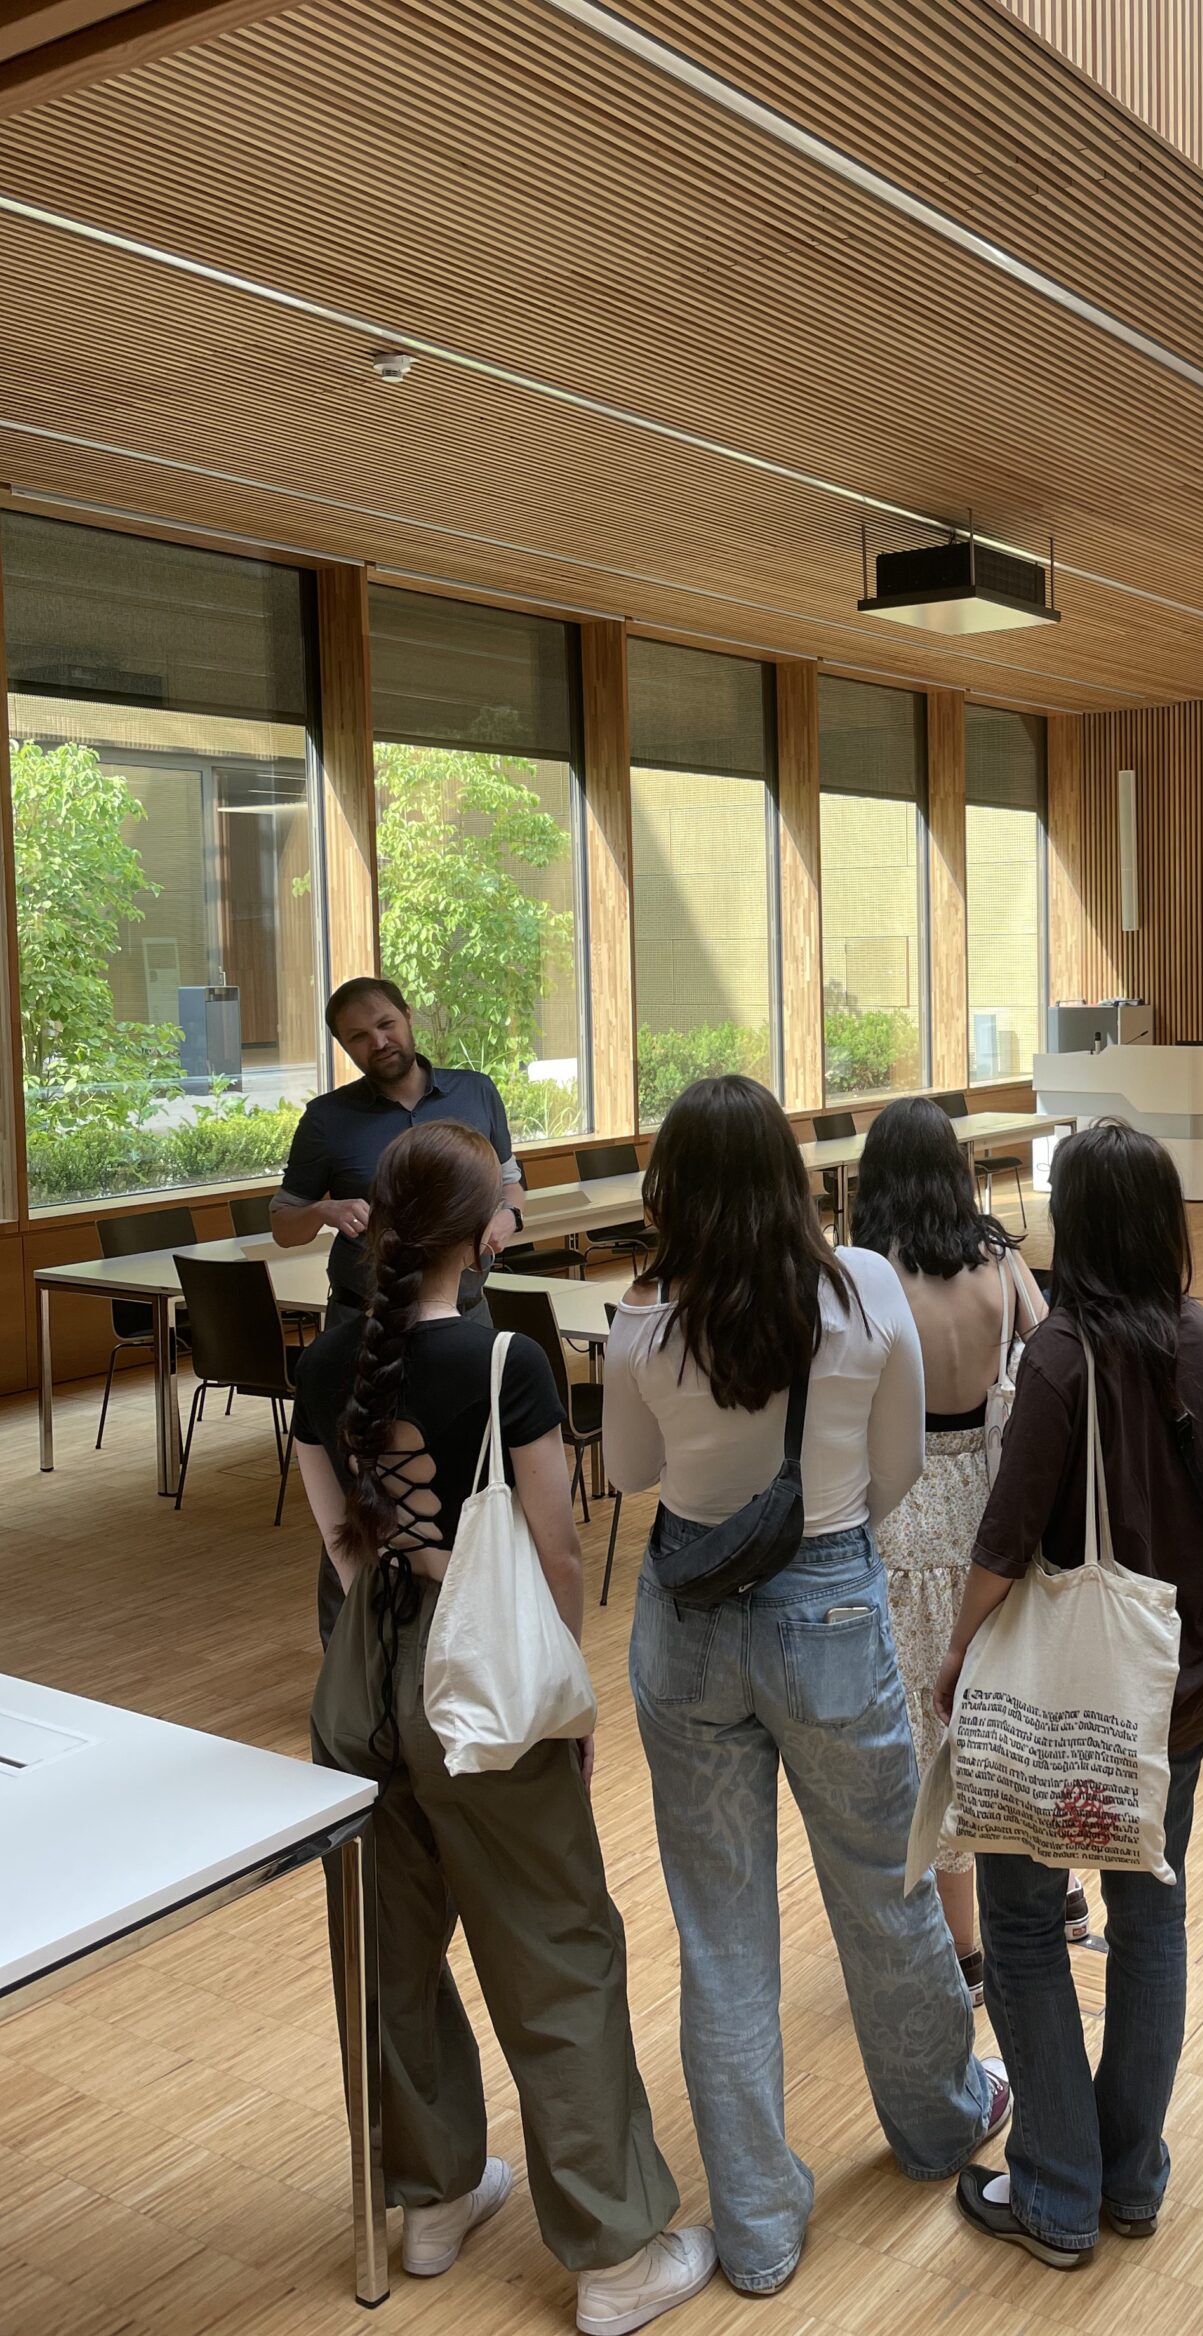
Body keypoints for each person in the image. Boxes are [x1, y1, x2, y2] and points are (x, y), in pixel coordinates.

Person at [291, 1122, 714, 2334]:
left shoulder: (327, 1366)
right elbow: (556, 1544)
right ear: (479, 1236)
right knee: (555, 1949)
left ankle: (430, 2200)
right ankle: (616, 2257)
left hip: (363, 1672)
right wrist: (559, 1682)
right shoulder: (505, 1361)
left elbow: (340, 1542)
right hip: (479, 1673)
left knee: (394, 1945)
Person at [603, 1075, 1009, 2299]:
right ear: (789, 1175)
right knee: (886, 1886)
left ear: (670, 1187)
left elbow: (628, 1472)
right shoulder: (862, 1287)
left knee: (721, 1934)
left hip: (685, 1624)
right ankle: (940, 2119)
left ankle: (761, 2226)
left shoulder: (641, 1317)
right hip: (830, 1600)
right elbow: (893, 1476)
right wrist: (818, 1533)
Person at [937, 1118, 1203, 2268]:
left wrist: (958, 1654)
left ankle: (1057, 2191)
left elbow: (1007, 1536)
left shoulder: (1063, 1354)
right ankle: (1131, 2173)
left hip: (1072, 1702)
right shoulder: (1200, 1339)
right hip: (1180, 1682)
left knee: (1021, 1925)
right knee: (1151, 1915)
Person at [850, 1095, 1047, 2002]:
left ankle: (963, 1951)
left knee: (934, 1728)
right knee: (1004, 1700)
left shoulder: (870, 1274)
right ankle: (1054, 1888)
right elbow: (1047, 1357)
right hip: (996, 1499)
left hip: (903, 1503)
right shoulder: (1000, 1262)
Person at [273, 975, 525, 1639]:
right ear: (343, 1046)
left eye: (384, 1023)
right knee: (356, 1490)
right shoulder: (326, 1120)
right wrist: (323, 1211)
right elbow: (282, 1220)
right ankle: (351, 1653)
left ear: (408, 1018)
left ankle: (468, 1640)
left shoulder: (477, 1090)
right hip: (362, 1322)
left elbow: (512, 1180)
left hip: (464, 1312)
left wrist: (507, 1217)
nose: (376, 1041)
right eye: (357, 1036)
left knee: (478, 1480)